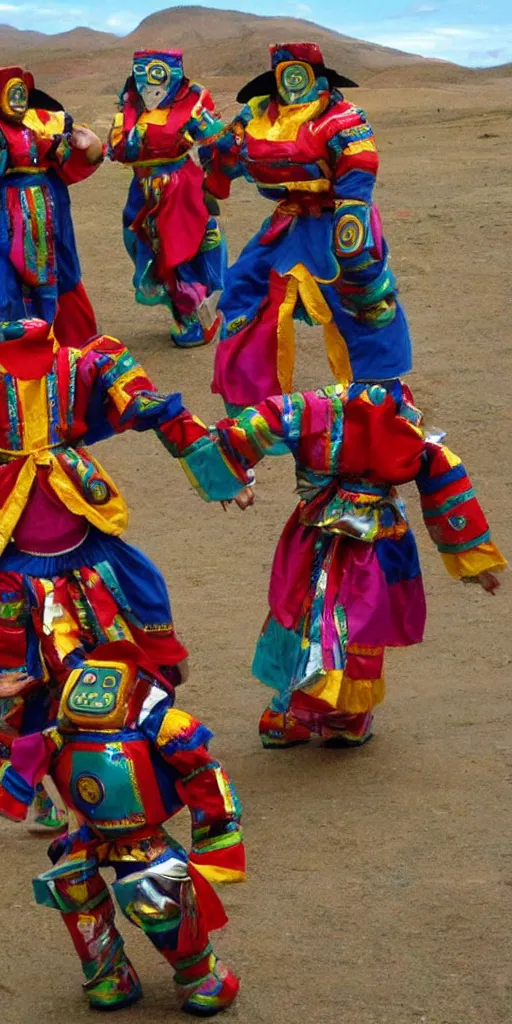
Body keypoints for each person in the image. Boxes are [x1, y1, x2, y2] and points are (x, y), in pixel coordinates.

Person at [169, 380, 506, 747]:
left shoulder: (313, 406)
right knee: (358, 625)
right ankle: (344, 714)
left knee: (301, 614)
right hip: (373, 542)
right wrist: (472, 559)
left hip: (316, 535)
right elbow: (441, 474)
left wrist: (228, 477)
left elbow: (254, 425)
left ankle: (289, 710)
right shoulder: (399, 407)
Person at [0, 318, 250, 690]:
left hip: (63, 554)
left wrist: (222, 477)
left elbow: (157, 410)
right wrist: (222, 475)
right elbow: (158, 411)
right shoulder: (88, 362)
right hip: (69, 556)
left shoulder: (86, 363)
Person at [0, 639, 245, 1015]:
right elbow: (27, 756)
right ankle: (109, 974)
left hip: (141, 836)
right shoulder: (62, 727)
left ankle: (200, 974)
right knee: (73, 886)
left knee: (156, 892)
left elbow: (203, 772)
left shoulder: (162, 725)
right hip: (89, 832)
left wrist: (217, 836)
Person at [199, 42, 412, 415]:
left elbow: (357, 177)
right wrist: (210, 149)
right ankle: (252, 409)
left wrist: (354, 244)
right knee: (243, 292)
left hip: (339, 222)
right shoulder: (258, 116)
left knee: (364, 300)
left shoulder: (342, 118)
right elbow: (224, 154)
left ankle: (383, 403)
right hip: (289, 223)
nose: (293, 84)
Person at [108, 50, 227, 348]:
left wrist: (210, 185)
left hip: (180, 189)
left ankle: (194, 316)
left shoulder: (192, 103)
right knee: (148, 248)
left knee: (181, 250)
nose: (151, 82)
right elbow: (119, 149)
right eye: (144, 73)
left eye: (158, 73)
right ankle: (183, 312)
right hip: (143, 191)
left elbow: (213, 143)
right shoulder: (130, 106)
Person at [0, 65, 103, 347]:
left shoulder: (48, 134)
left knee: (59, 277)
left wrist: (87, 145)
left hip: (49, 220)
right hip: (8, 224)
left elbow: (78, 156)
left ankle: (74, 350)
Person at [0, 667, 67, 831]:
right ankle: (47, 809)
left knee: (32, 746)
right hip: (26, 681)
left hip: (32, 683)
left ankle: (50, 810)